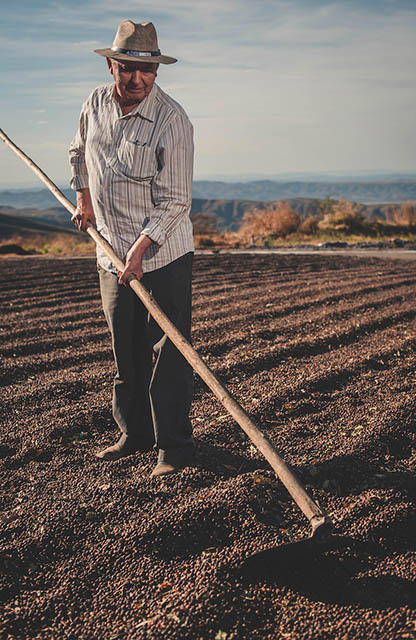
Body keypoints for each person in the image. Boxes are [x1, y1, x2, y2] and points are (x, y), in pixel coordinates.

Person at [69, 20, 195, 477]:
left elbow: (176, 200)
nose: (137, 79)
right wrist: (83, 198)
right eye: (127, 68)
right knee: (126, 350)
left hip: (162, 256)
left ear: (157, 71)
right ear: (112, 65)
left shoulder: (172, 120)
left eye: (147, 70)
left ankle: (174, 448)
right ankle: (135, 435)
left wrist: (141, 251)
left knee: (168, 352)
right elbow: (79, 152)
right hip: (110, 254)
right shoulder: (94, 104)